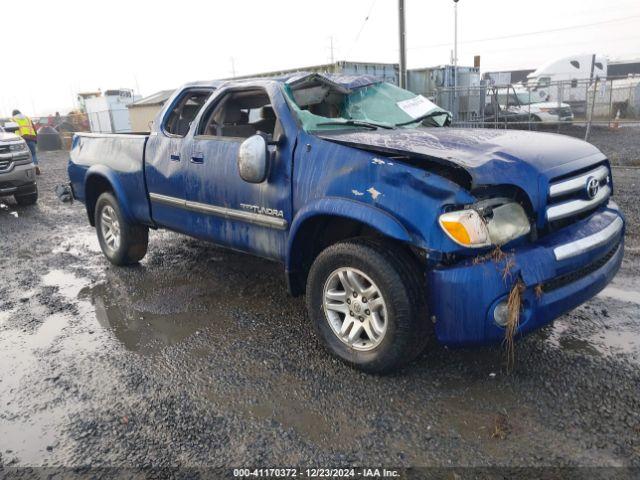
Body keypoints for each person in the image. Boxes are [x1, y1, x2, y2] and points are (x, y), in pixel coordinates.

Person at [11, 109, 40, 175]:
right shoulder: (27, 118)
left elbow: (10, 131)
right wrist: (36, 139)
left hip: (20, 140)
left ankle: (24, 171)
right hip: (31, 138)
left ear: (13, 114)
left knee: (21, 155)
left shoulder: (12, 119)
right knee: (33, 154)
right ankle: (35, 166)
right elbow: (34, 128)